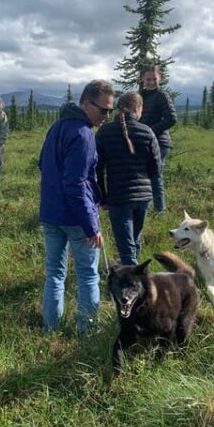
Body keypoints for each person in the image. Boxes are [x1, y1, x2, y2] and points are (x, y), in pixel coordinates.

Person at [39, 79, 114, 334]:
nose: (106, 115)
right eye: (103, 109)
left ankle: (50, 330)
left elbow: (43, 164)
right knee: (88, 275)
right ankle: (88, 332)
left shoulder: (56, 127)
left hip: (51, 214)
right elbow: (75, 183)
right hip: (77, 219)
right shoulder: (84, 135)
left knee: (54, 274)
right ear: (85, 104)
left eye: (110, 110)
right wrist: (91, 226)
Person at [96, 92, 161, 265]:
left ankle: (132, 276)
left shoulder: (105, 132)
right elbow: (156, 168)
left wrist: (102, 197)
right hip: (143, 197)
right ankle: (135, 270)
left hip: (119, 197)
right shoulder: (147, 132)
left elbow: (97, 168)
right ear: (137, 108)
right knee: (134, 239)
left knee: (126, 245)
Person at [139, 64, 177, 212]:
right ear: (143, 79)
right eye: (148, 79)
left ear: (160, 78)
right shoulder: (140, 96)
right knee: (145, 176)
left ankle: (160, 210)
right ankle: (147, 208)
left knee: (155, 175)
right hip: (145, 142)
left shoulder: (162, 95)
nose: (151, 82)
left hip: (160, 142)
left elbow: (171, 118)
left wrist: (150, 131)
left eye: (154, 79)